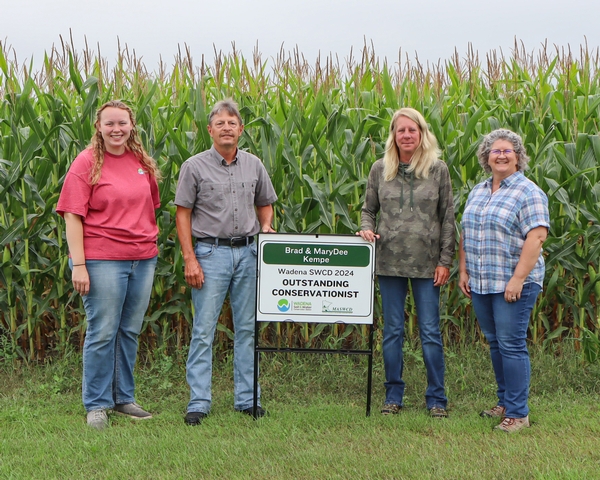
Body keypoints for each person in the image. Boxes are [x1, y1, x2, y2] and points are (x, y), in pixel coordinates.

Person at [56, 100, 161, 430]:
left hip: (143, 258)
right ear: (98, 127)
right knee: (102, 332)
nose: (117, 129)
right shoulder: (87, 162)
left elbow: (150, 207)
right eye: (110, 123)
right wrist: (79, 264)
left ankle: (123, 398)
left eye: (123, 123)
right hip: (102, 259)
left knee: (128, 331)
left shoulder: (140, 161)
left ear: (132, 125)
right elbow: (73, 216)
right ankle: (97, 403)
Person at [175, 99, 277, 426]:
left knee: (246, 328)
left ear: (241, 129)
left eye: (232, 123)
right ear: (210, 130)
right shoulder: (194, 166)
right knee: (204, 330)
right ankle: (199, 402)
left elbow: (265, 203)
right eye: (220, 123)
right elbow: (183, 214)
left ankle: (247, 399)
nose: (227, 128)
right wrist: (189, 258)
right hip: (210, 253)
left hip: (247, 253)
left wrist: (265, 227)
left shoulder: (254, 165)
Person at [359, 107, 454, 417]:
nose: (407, 135)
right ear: (394, 136)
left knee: (429, 332)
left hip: (428, 265)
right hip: (389, 263)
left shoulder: (438, 170)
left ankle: (436, 398)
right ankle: (393, 396)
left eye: (412, 130)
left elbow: (448, 217)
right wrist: (366, 228)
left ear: (422, 133)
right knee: (393, 332)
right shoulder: (380, 169)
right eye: (401, 130)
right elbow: (368, 209)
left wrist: (445, 260)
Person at [458, 128, 549, 433]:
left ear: (518, 157)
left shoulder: (528, 191)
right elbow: (466, 231)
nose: (500, 155)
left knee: (511, 345)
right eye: (494, 151)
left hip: (513, 282)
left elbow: (537, 237)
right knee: (496, 343)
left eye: (507, 150)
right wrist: (464, 270)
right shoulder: (479, 190)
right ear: (486, 157)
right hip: (483, 281)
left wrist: (517, 279)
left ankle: (519, 414)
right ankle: (506, 402)